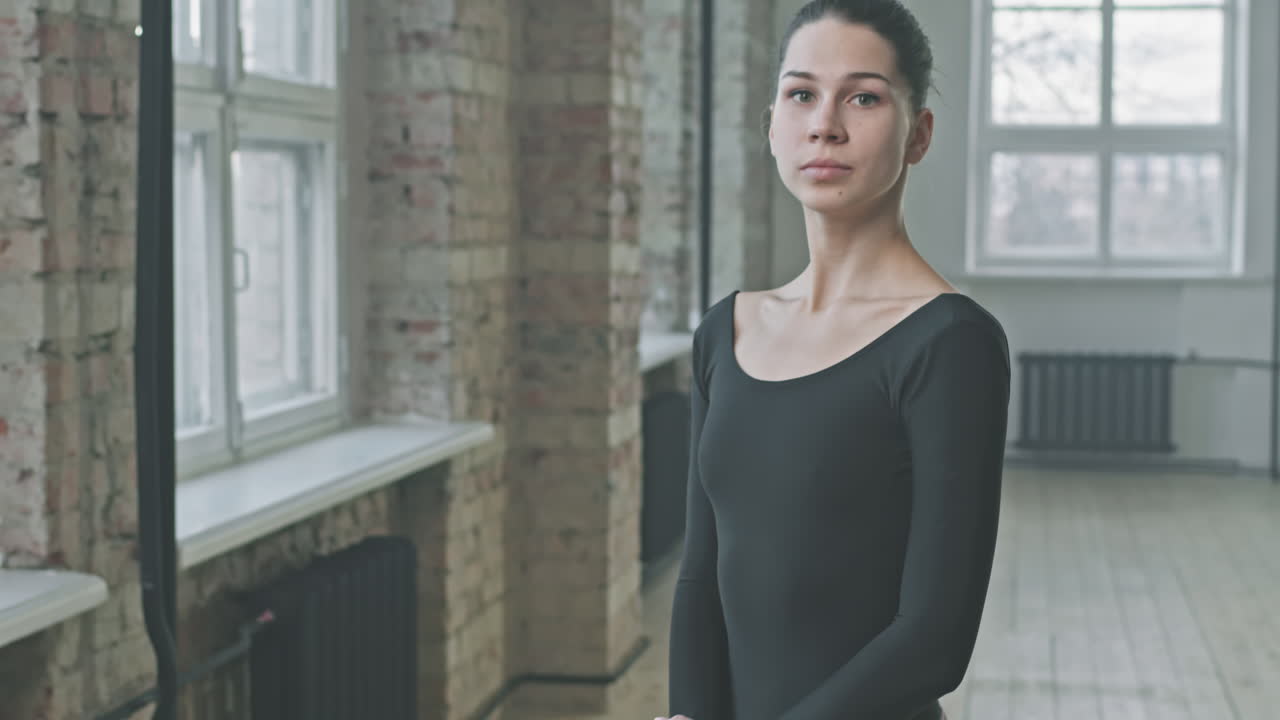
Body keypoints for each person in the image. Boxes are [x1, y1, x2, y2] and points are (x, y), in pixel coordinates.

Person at [657, 1, 1010, 719]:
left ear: (918, 135)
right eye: (801, 94)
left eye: (864, 96)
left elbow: (933, 638)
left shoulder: (951, 344)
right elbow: (700, 578)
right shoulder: (725, 332)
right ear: (772, 125)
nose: (826, 123)